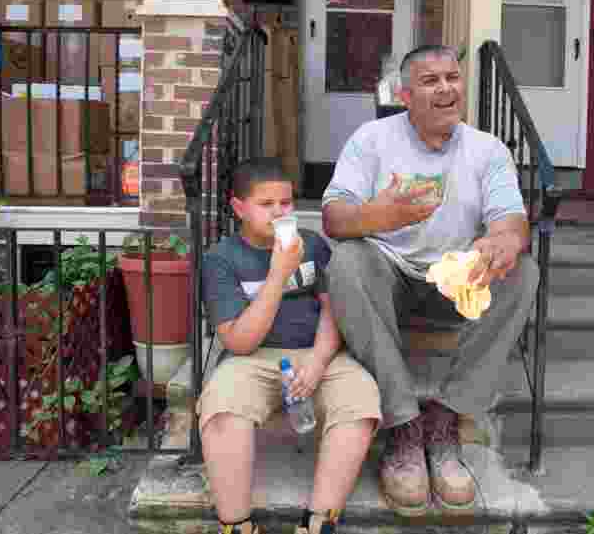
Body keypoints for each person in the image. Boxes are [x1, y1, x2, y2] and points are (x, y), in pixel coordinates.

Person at [321, 44, 538, 516]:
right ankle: (403, 425)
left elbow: (511, 219)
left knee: (523, 271)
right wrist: (377, 214)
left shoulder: (488, 150)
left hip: (455, 280)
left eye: (452, 78)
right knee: (346, 263)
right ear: (404, 95)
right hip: (389, 276)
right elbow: (334, 219)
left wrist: (502, 240)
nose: (446, 89)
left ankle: (446, 417)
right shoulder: (371, 140)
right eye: (430, 81)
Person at [196, 157, 383, 534]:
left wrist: (316, 362)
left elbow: (334, 311)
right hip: (252, 359)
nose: (279, 213)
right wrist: (279, 272)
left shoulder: (312, 246)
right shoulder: (221, 260)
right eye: (266, 205)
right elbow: (240, 340)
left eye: (286, 204)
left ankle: (318, 522)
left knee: (360, 401)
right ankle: (236, 525)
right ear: (238, 208)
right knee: (222, 407)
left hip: (319, 352)